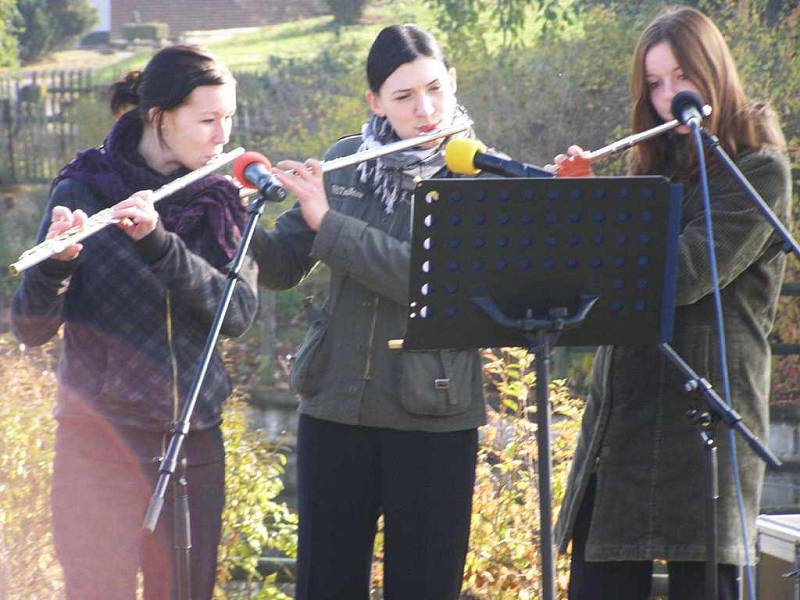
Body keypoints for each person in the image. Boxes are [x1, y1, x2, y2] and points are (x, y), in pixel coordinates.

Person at [552, 6, 792, 600]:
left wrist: (598, 214)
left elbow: (684, 273)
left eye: (682, 77)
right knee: (598, 578)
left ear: (713, 71)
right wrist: (578, 206)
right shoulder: (654, 169)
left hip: (703, 422)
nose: (668, 98)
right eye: (655, 85)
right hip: (626, 417)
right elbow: (594, 280)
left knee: (702, 582)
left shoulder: (759, 170)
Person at [11, 45, 258, 599]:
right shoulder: (84, 188)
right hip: (97, 441)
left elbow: (236, 314)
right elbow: (29, 328)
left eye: (229, 119)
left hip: (192, 440)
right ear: (159, 117)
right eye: (208, 120)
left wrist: (158, 243)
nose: (223, 136)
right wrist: (55, 266)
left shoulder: (221, 200)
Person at [250, 24, 486, 600]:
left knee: (424, 587)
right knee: (324, 584)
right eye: (403, 97)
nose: (424, 110)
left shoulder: (481, 174)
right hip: (335, 409)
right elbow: (282, 267)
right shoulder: (346, 161)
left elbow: (430, 280)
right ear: (375, 102)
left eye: (434, 89)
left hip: (433, 415)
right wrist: (233, 217)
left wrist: (327, 223)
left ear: (453, 82)